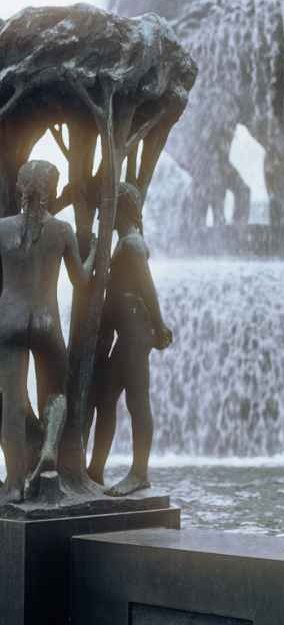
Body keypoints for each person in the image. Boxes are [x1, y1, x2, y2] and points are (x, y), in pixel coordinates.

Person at [0, 160, 95, 503]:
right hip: (46, 322)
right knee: (55, 391)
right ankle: (50, 449)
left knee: (9, 404)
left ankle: (13, 483)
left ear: (20, 190)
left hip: (7, 321)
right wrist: (95, 252)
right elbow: (82, 282)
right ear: (52, 191)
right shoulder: (62, 231)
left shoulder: (1, 229)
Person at [87, 182, 172, 496]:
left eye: (106, 207)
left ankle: (139, 473)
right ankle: (95, 469)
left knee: (137, 401)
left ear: (119, 208)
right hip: (126, 334)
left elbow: (148, 289)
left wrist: (160, 328)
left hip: (137, 334)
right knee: (105, 398)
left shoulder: (133, 243)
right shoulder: (125, 242)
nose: (100, 215)